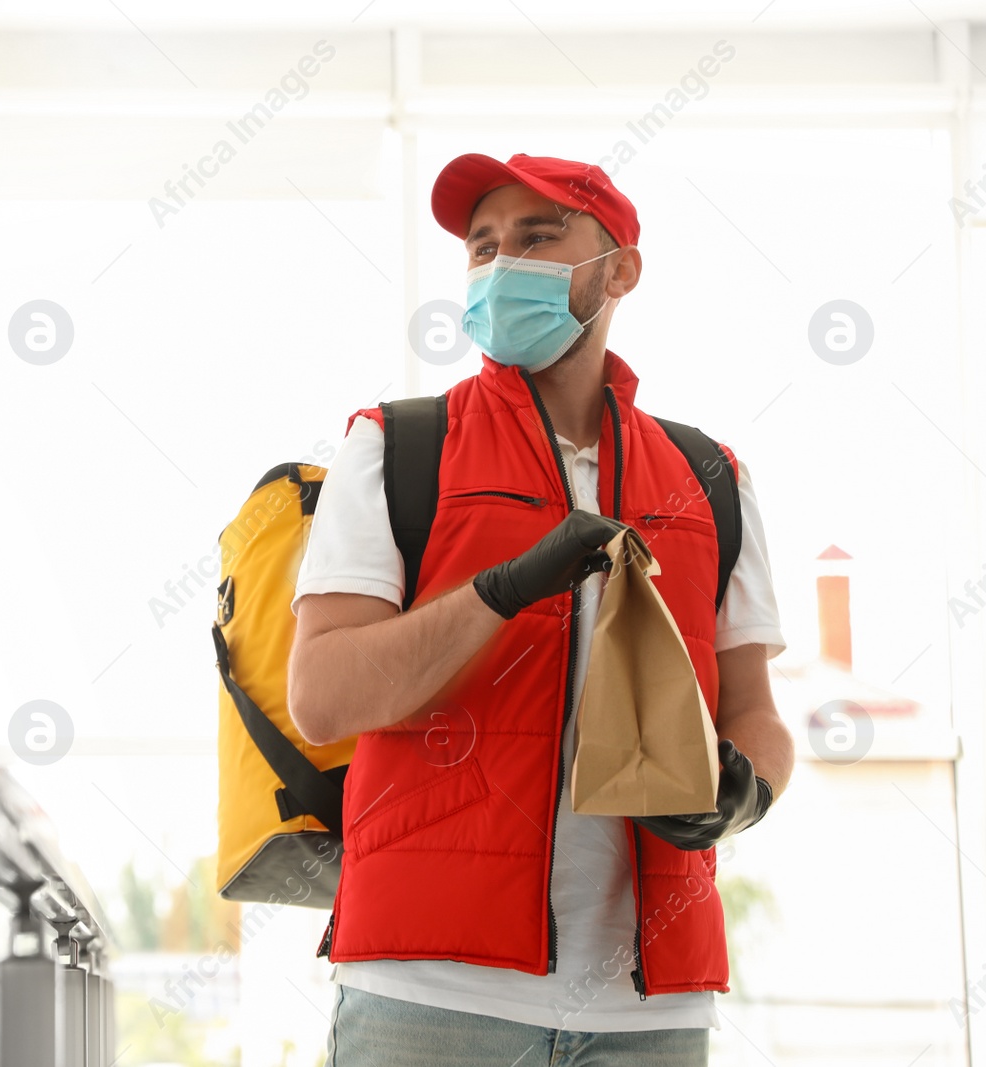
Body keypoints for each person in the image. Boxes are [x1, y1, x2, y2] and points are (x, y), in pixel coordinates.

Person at [287, 152, 794, 1065]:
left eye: (537, 236)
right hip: (429, 996)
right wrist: (502, 591)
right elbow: (323, 694)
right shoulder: (398, 447)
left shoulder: (712, 477)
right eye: (482, 248)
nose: (499, 265)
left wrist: (744, 791)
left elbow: (754, 707)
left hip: (651, 1011)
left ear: (621, 268)